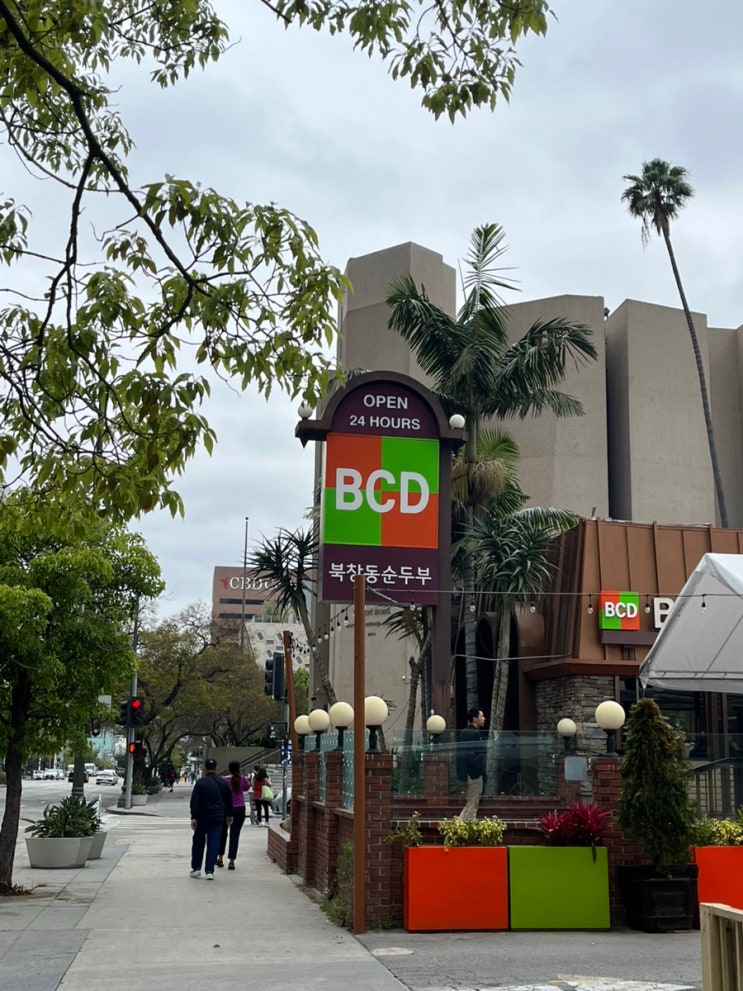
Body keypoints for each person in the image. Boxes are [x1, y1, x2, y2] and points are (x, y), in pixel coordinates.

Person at [189, 758, 233, 879]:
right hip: (218, 816)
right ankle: (209, 870)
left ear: (205, 768)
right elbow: (229, 800)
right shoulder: (223, 782)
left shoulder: (200, 782)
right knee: (214, 842)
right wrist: (229, 815)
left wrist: (193, 816)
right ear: (216, 769)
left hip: (202, 816)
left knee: (198, 842)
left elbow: (194, 801)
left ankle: (196, 868)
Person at [216, 760, 251, 870]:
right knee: (235, 835)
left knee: (222, 834)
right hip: (239, 808)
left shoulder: (223, 780)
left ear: (229, 768)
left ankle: (220, 858)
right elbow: (247, 787)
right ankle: (231, 861)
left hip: (225, 809)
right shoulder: (242, 779)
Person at [458, 707, 487, 821]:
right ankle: (468, 825)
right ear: (475, 719)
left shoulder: (463, 733)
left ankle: (457, 825)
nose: (484, 718)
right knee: (472, 804)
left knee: (469, 803)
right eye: (481, 716)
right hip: (474, 774)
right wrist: (480, 770)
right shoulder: (474, 734)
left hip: (466, 773)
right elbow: (474, 755)